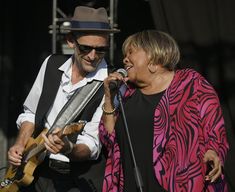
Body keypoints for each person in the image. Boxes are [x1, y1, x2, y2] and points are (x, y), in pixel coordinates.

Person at [99, 30, 229, 192]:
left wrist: (212, 150)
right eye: (125, 54)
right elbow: (109, 137)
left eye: (131, 52)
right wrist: (108, 96)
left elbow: (214, 126)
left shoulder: (190, 83)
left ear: (154, 57)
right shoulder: (126, 93)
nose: (125, 59)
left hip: (180, 185)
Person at [7, 6, 119, 192]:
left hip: (79, 179)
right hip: (36, 171)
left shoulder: (110, 82)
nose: (93, 56)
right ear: (70, 40)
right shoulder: (51, 64)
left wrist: (68, 148)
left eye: (100, 50)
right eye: (85, 48)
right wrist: (19, 145)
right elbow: (31, 113)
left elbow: (92, 145)